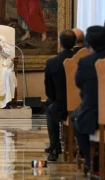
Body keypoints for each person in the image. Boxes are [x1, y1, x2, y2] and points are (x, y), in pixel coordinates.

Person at [71, 26, 105, 180]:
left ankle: (94, 165)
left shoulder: (86, 62)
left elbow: (79, 83)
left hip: (95, 114)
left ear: (89, 43)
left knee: (76, 118)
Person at [44, 30, 76, 161]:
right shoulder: (82, 60)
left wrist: (55, 100)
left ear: (60, 43)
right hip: (81, 104)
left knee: (51, 110)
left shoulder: (52, 62)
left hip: (61, 104)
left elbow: (49, 90)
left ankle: (54, 147)